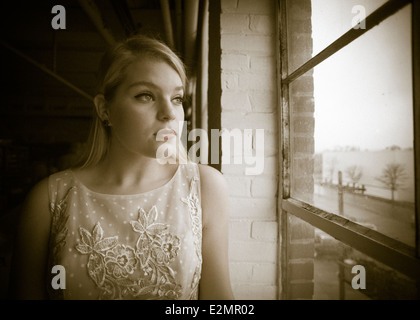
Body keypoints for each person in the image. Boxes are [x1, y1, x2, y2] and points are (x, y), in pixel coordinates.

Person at [9, 35, 234, 300]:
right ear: (105, 109)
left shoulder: (205, 187)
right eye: (146, 96)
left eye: (176, 98)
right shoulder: (49, 199)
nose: (170, 113)